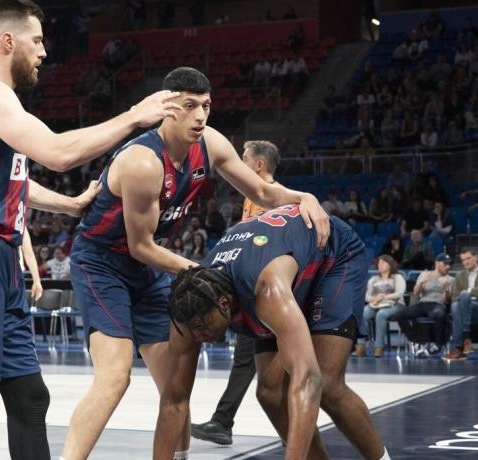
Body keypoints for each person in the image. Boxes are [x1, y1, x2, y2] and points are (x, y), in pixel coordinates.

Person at [0, 1, 182, 458]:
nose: (44, 51)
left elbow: (15, 179)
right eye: (37, 40)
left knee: (29, 397)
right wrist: (133, 116)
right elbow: (59, 153)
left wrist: (69, 204)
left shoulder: (3, 104)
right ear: (8, 42)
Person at [63, 67, 329, 460]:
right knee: (115, 376)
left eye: (205, 105)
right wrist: (204, 273)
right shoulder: (142, 163)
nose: (200, 116)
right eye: (190, 106)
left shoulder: (211, 143)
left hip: (151, 268)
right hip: (102, 262)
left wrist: (303, 195)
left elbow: (261, 190)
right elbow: (140, 246)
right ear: (167, 109)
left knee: (176, 390)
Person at [155, 206, 388, 460]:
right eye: (193, 332)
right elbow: (173, 402)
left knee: (327, 384)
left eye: (202, 329)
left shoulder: (267, 293)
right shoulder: (188, 308)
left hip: (332, 256)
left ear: (223, 304)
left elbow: (308, 379)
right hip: (280, 267)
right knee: (270, 393)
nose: (199, 338)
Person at [191, 139, 279, 445]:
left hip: (268, 294)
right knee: (252, 361)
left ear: (259, 165)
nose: (238, 162)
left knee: (280, 365)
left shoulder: (271, 197)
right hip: (253, 291)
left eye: (244, 158)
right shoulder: (252, 197)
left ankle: (225, 422)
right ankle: (223, 422)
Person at [443, 249, 478, 361]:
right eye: (463, 260)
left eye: (468, 258)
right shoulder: (459, 275)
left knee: (463, 298)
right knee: (456, 305)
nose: (466, 262)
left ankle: (458, 348)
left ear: (475, 258)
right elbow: (455, 296)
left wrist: (470, 290)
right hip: (463, 307)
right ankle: (466, 341)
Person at [397, 253, 453, 357]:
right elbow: (416, 293)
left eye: (449, 264)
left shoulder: (450, 279)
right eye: (445, 264)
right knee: (400, 313)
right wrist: (420, 282)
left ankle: (438, 344)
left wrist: (446, 288)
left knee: (440, 314)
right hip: (422, 304)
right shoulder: (425, 274)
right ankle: (415, 340)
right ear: (437, 263)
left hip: (437, 305)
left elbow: (447, 301)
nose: (448, 267)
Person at [353, 255, 406, 357]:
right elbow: (366, 296)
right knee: (363, 312)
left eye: (383, 263)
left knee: (381, 314)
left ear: (390, 265)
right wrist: (374, 299)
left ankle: (379, 347)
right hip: (376, 304)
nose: (380, 265)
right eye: (379, 263)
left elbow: (399, 293)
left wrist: (382, 297)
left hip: (395, 305)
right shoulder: (374, 279)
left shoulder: (397, 277)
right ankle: (361, 346)